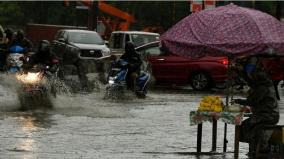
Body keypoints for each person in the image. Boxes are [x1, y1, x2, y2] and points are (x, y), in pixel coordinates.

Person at [233, 56, 279, 157]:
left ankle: (256, 148)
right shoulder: (263, 85)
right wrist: (239, 71)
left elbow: (253, 101)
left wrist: (239, 101)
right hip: (265, 114)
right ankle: (254, 147)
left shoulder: (263, 88)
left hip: (268, 116)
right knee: (248, 125)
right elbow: (250, 81)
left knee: (244, 125)